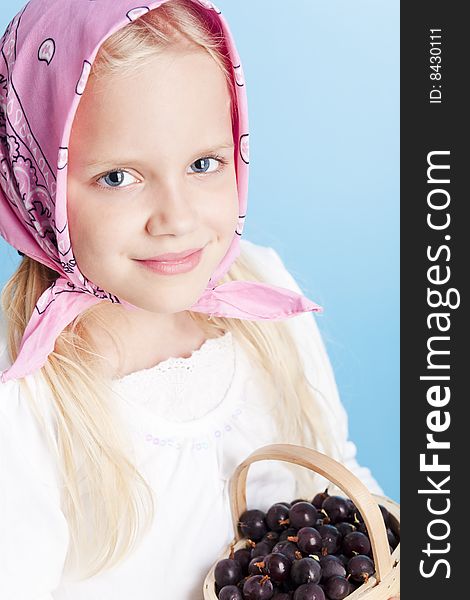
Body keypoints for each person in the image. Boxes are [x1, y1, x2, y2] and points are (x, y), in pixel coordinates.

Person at [0, 1, 395, 598]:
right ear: (37, 183)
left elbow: (343, 489)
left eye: (203, 164)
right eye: (118, 177)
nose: (177, 219)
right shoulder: (29, 398)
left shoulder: (265, 291)